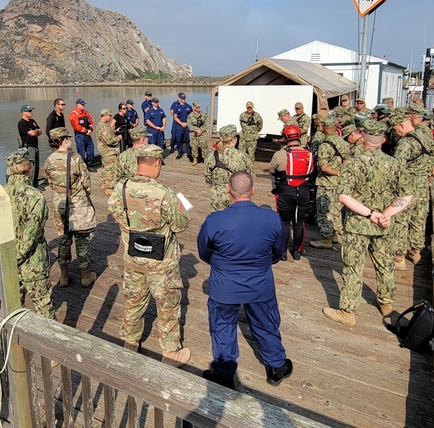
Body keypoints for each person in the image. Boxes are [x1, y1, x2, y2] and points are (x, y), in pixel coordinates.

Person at [197, 171, 292, 389]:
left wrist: (223, 265)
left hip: (224, 286)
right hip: (260, 284)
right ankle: (276, 366)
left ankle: (224, 374)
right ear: (253, 191)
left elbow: (204, 252)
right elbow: (277, 252)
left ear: (228, 191)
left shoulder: (215, 220)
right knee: (266, 323)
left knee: (222, 326)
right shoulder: (271, 218)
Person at [107, 144, 191, 368]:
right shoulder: (165, 194)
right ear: (156, 164)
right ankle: (171, 351)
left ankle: (130, 341)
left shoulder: (121, 188)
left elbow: (114, 211)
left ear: (137, 163)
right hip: (161, 262)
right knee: (167, 304)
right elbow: (181, 225)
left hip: (133, 257)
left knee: (134, 300)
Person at [323, 119, 412, 326]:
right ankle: (387, 304)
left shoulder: (353, 163)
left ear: (363, 138)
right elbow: (406, 196)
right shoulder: (395, 164)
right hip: (384, 224)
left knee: (353, 267)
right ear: (383, 139)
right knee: (385, 265)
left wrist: (371, 214)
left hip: (358, 224)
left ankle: (348, 312)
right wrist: (386, 214)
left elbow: (344, 196)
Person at [42, 127, 97, 288]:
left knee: (64, 238)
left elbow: (49, 181)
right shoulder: (76, 159)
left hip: (60, 202)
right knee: (82, 239)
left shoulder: (49, 160)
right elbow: (86, 182)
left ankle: (64, 276)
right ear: (64, 140)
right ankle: (86, 276)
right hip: (77, 202)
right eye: (68, 138)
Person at [3, 148, 53, 318]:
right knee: (43, 305)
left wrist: (6, 257)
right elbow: (31, 234)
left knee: (13, 308)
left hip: (6, 260)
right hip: (33, 262)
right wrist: (19, 255)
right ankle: (49, 343)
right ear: (28, 168)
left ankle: (15, 341)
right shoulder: (35, 196)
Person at [391, 109, 434, 268]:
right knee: (418, 219)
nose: (396, 132)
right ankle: (415, 251)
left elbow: (397, 166)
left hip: (407, 186)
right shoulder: (424, 136)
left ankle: (399, 257)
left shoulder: (405, 143)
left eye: (395, 129)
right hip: (422, 185)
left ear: (401, 125)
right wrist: (428, 166)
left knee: (400, 219)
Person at [268, 125, 314, 260]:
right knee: (299, 223)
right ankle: (297, 251)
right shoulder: (309, 153)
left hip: (285, 192)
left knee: (284, 222)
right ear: (299, 136)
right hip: (304, 192)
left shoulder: (280, 154)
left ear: (286, 137)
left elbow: (271, 170)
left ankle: (282, 252)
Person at [309, 115, 347, 249]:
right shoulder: (343, 142)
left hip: (326, 182)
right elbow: (346, 161)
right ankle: (336, 234)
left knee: (324, 210)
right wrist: (340, 173)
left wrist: (335, 172)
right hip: (339, 182)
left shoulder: (325, 145)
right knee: (336, 209)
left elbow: (323, 167)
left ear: (325, 127)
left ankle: (326, 239)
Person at [204, 125, 253, 212]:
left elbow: (208, 178)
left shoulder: (211, 156)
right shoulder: (243, 156)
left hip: (217, 195)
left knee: (217, 221)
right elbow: (249, 177)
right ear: (234, 139)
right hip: (237, 196)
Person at [16, 104, 43, 186]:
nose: (31, 112)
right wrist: (35, 131)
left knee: (37, 166)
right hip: (29, 146)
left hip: (35, 145)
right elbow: (32, 133)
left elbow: (40, 131)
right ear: (24, 112)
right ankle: (30, 185)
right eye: (29, 111)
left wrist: (36, 131)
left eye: (31, 110)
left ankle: (35, 184)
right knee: (31, 166)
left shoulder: (32, 121)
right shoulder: (22, 123)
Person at [96, 108, 121, 194]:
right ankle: (109, 188)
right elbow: (109, 141)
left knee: (105, 168)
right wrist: (118, 138)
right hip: (108, 151)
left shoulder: (101, 125)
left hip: (104, 151)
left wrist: (114, 131)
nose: (110, 117)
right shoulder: (103, 127)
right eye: (110, 116)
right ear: (105, 115)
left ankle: (104, 184)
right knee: (110, 169)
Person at [69, 98, 96, 168]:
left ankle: (89, 165)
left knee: (91, 151)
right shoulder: (73, 114)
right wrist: (85, 131)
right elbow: (76, 126)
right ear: (77, 105)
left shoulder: (86, 112)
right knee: (81, 152)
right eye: (82, 104)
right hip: (80, 135)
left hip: (88, 134)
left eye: (84, 104)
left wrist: (91, 129)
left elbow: (91, 121)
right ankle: (82, 167)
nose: (83, 105)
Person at [169, 92, 192, 160]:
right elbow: (174, 116)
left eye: (184, 98)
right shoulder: (176, 106)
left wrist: (187, 123)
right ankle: (179, 152)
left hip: (187, 125)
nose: (183, 99)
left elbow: (191, 116)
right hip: (179, 125)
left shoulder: (189, 107)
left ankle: (188, 152)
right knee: (179, 139)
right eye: (182, 98)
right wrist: (181, 123)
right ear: (179, 98)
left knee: (188, 139)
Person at [186, 102, 208, 166]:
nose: (198, 108)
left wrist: (201, 130)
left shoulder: (203, 115)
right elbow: (189, 126)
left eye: (199, 107)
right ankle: (195, 159)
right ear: (194, 107)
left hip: (202, 133)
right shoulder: (190, 116)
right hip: (193, 133)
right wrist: (197, 130)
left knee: (204, 146)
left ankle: (205, 160)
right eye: (197, 107)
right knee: (194, 147)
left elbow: (207, 124)